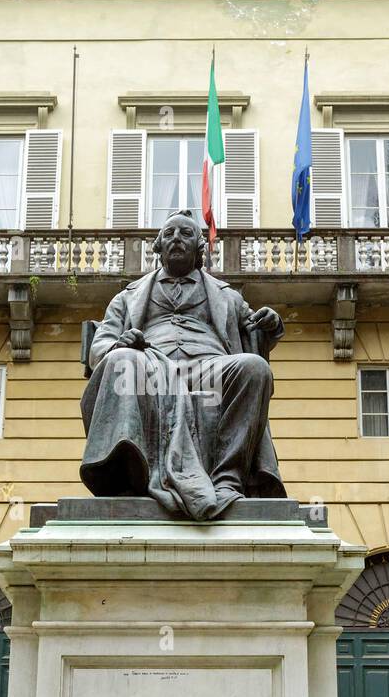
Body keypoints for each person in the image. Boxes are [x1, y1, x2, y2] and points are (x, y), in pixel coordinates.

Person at [79, 210, 287, 519]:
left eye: (186, 234)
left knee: (254, 368)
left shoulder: (226, 296)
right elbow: (102, 343)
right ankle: (128, 473)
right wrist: (118, 345)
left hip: (210, 369)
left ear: (200, 247)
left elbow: (254, 328)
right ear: (158, 247)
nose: (176, 238)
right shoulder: (128, 297)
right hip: (150, 370)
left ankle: (227, 478)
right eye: (169, 234)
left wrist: (271, 323)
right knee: (122, 361)